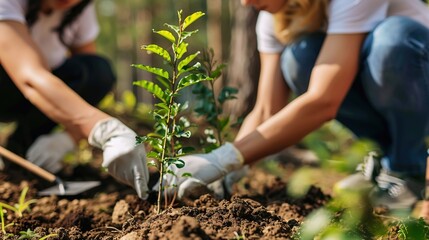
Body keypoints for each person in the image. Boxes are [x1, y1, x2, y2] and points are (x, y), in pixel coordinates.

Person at [160, 0, 429, 214]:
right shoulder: (272, 18)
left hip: (418, 78)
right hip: (391, 98)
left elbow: (324, 100)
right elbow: (266, 109)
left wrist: (221, 159)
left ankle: (407, 167)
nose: (244, 3)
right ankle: (388, 162)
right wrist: (227, 170)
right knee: (299, 59)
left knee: (391, 43)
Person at [0, 0, 149, 199]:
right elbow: (30, 77)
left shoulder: (79, 9)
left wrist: (70, 137)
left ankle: (22, 153)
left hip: (39, 97)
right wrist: (104, 128)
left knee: (97, 71)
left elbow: (89, 82)